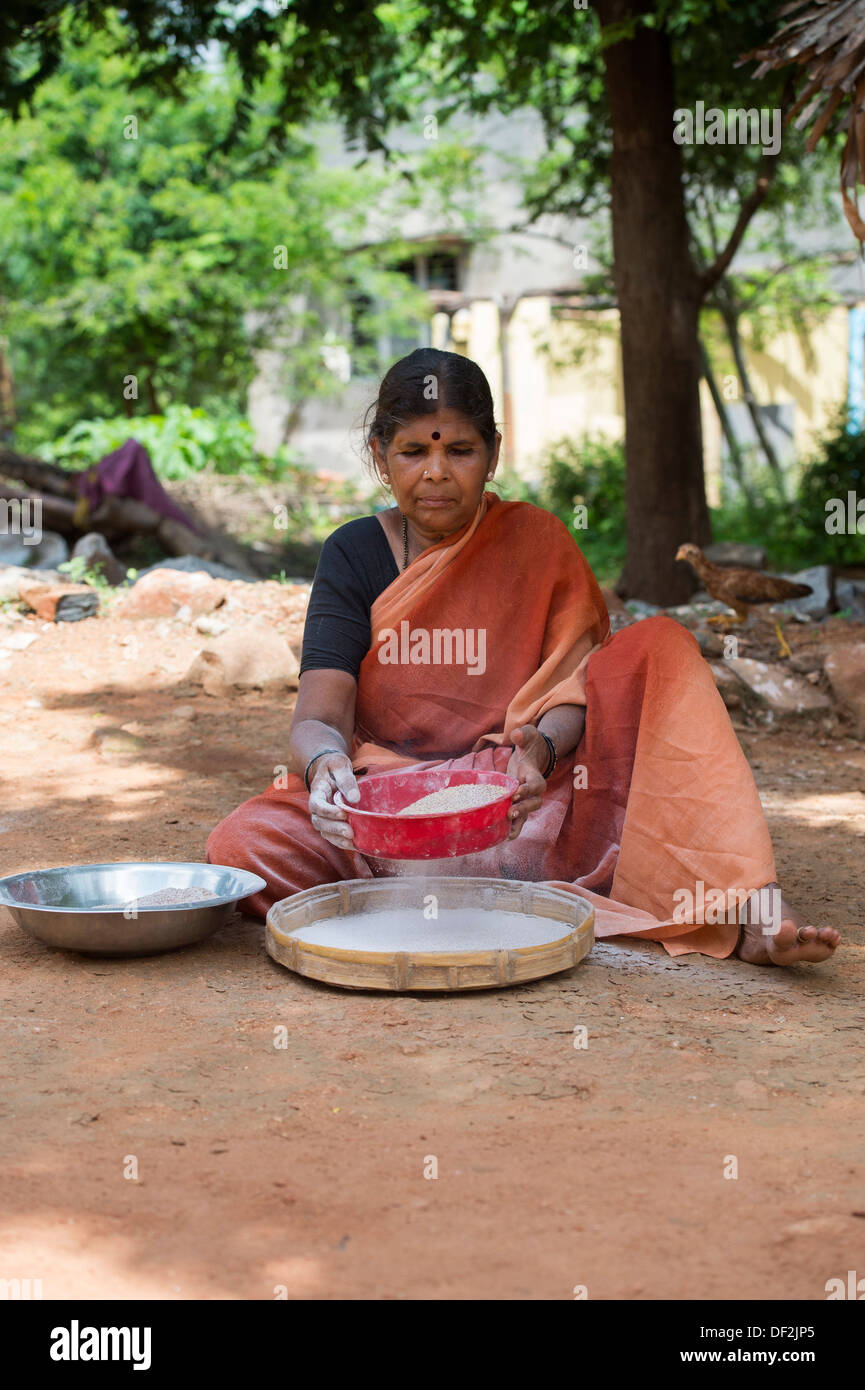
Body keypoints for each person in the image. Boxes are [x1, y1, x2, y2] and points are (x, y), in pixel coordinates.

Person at [207, 348, 840, 966]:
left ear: (493, 454)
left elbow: (573, 688)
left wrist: (536, 754)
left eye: (459, 450)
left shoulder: (537, 541)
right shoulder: (352, 553)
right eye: (413, 451)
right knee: (241, 845)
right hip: (388, 808)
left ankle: (752, 908)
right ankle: (472, 884)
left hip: (523, 804)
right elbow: (320, 712)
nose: (435, 472)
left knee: (662, 645)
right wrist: (324, 771)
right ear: (380, 456)